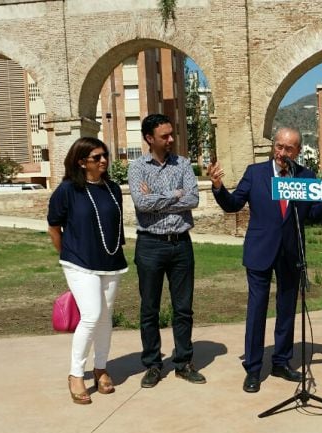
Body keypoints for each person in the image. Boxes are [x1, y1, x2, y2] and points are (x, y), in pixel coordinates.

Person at [207, 127, 322, 393]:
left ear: (297, 150)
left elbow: (313, 214)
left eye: (288, 148)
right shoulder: (255, 172)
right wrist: (218, 187)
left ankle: (281, 361)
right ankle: (254, 369)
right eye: (279, 147)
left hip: (291, 252)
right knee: (257, 311)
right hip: (260, 251)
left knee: (286, 310)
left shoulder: (304, 176)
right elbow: (233, 204)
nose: (282, 152)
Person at [47, 137, 128, 405]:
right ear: (82, 162)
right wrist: (67, 255)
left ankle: (101, 368)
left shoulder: (112, 189)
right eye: (97, 157)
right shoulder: (68, 190)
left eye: (105, 155)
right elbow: (54, 227)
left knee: (105, 318)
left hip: (111, 261)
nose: (103, 160)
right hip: (79, 262)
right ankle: (75, 374)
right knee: (92, 315)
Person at [128, 114, 205, 388]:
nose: (171, 140)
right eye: (165, 136)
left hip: (181, 243)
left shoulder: (183, 164)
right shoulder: (137, 168)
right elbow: (141, 202)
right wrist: (175, 195)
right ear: (150, 138)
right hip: (150, 244)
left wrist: (158, 198)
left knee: (183, 308)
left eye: (171, 134)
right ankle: (152, 365)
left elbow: (193, 199)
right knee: (149, 309)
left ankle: (183, 362)